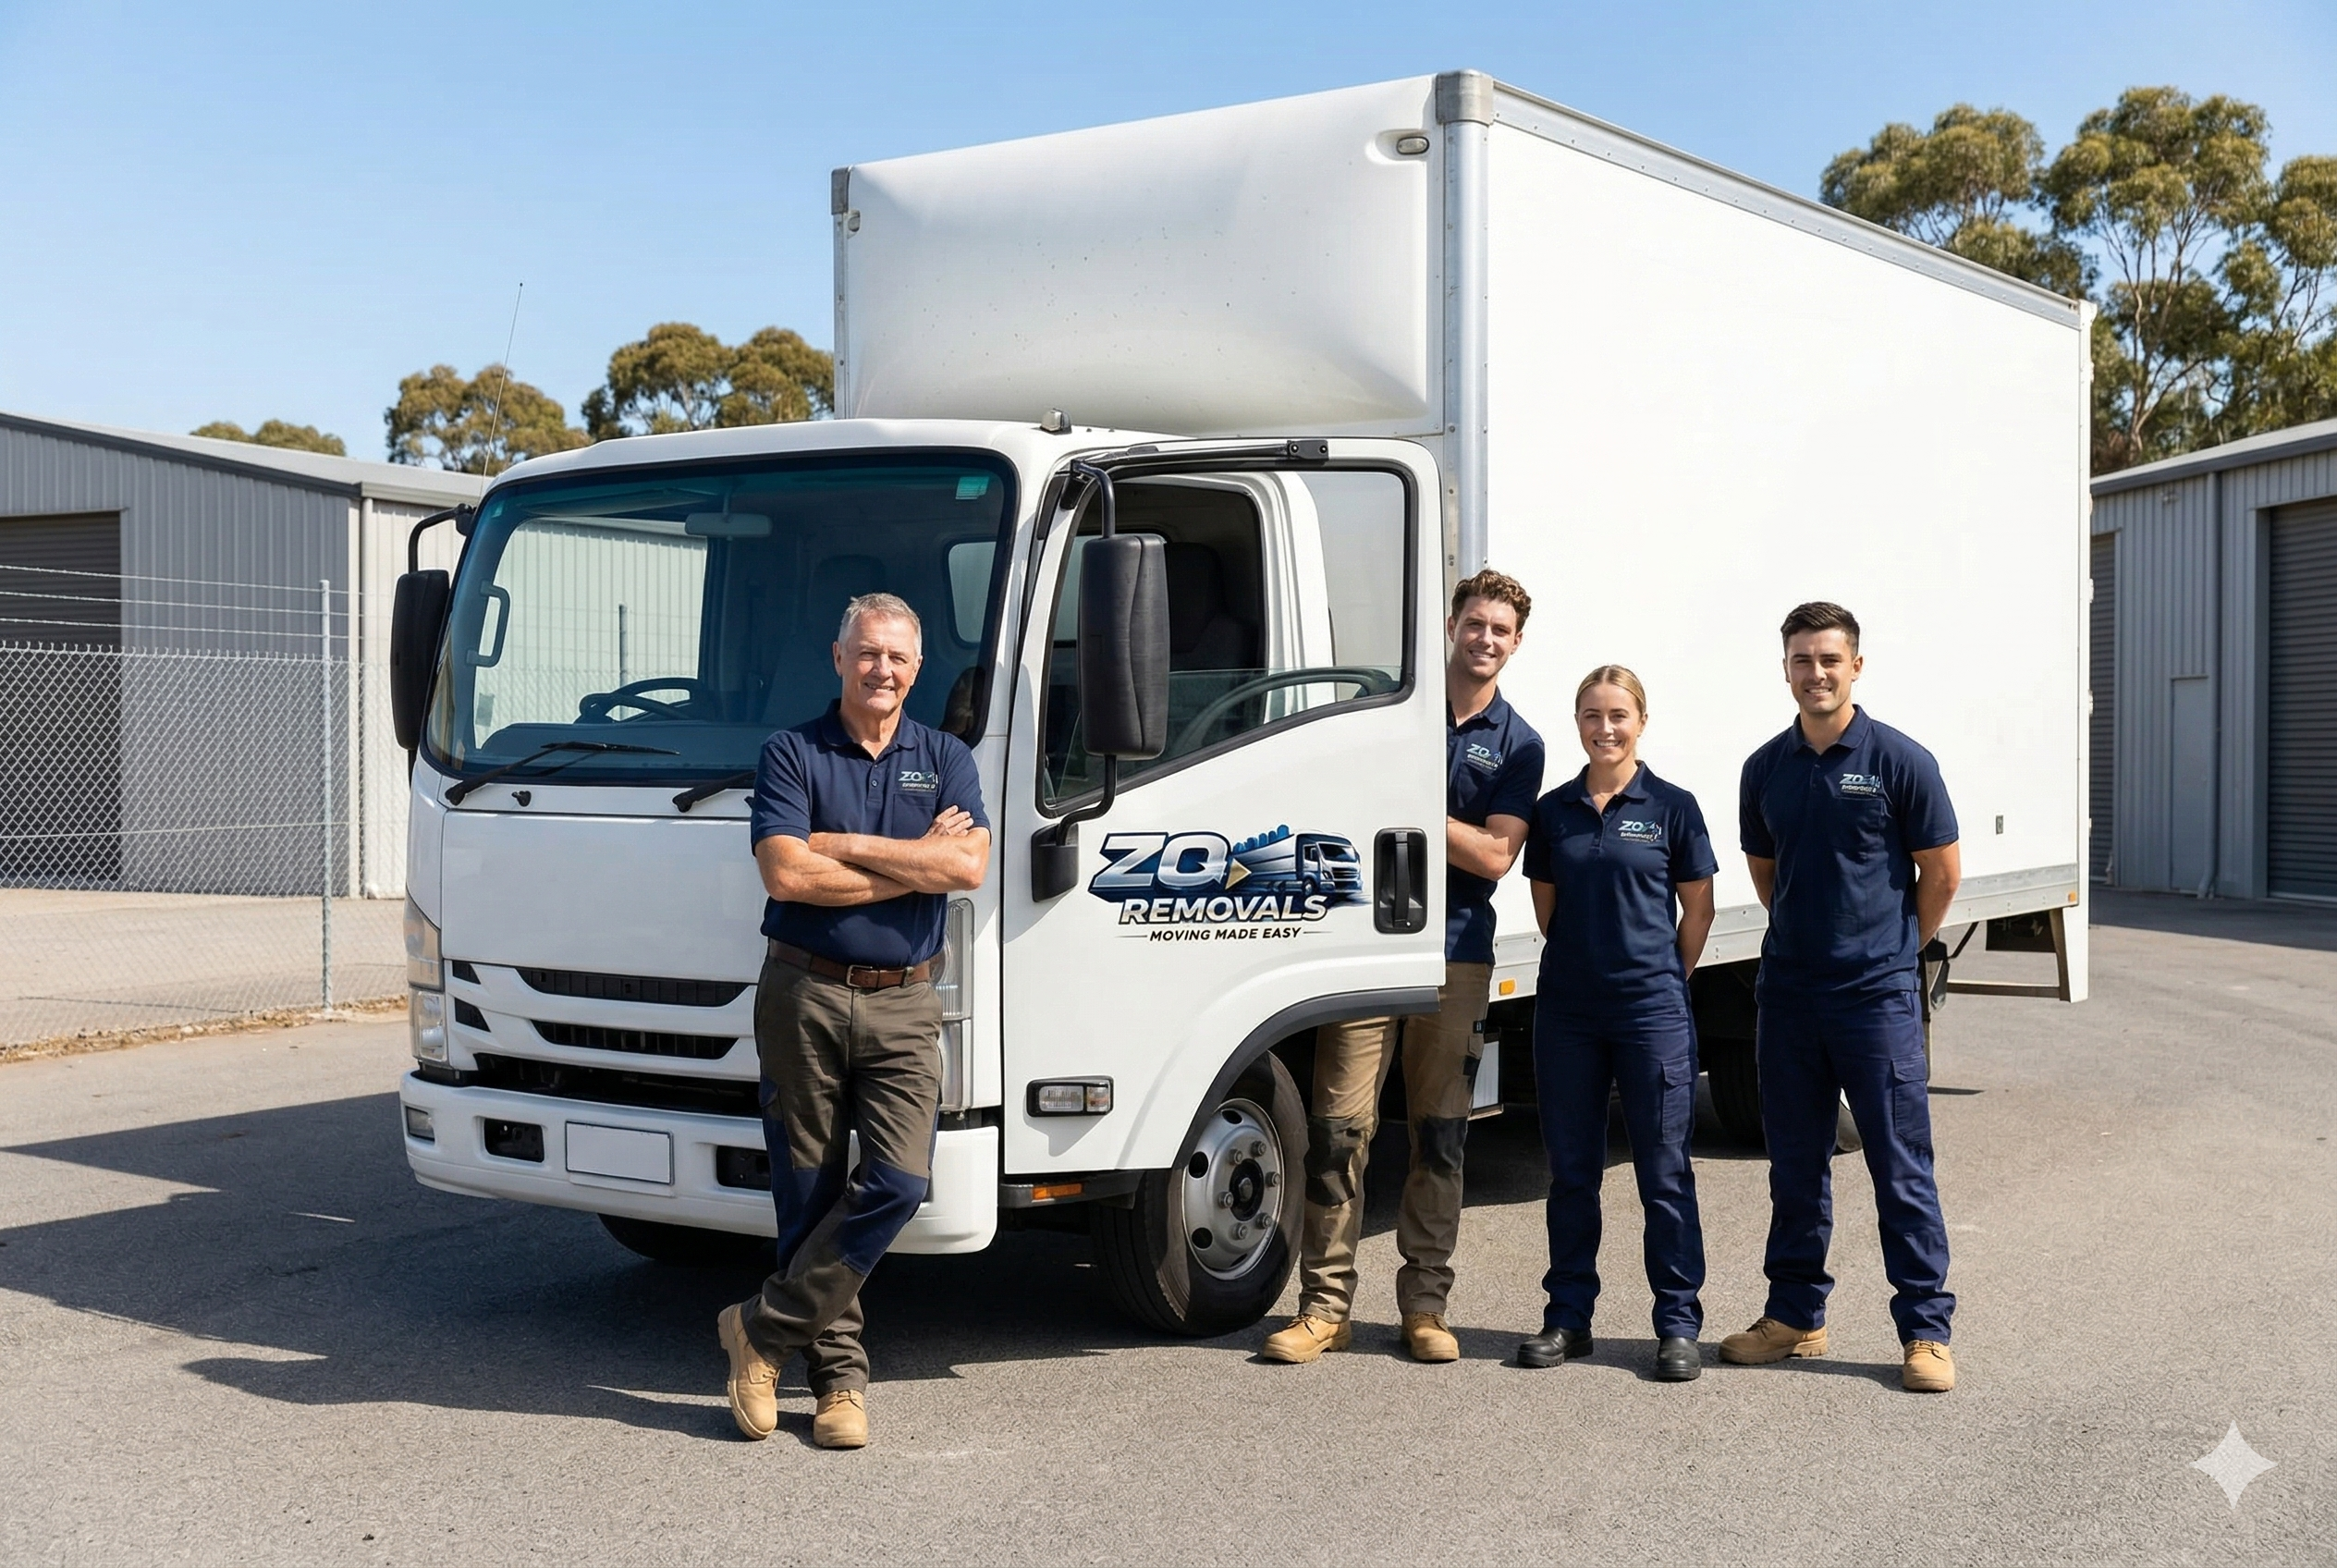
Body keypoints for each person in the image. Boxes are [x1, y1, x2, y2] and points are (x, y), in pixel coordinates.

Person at [717, 592, 991, 1448]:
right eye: (868, 653)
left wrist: (839, 842)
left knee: (900, 1182)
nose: (882, 670)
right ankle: (839, 1383)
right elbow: (787, 876)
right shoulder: (791, 752)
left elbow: (968, 867)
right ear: (839, 659)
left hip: (906, 999)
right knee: (809, 1190)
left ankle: (759, 1330)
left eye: (898, 657)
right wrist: (915, 863)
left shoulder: (945, 757)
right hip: (803, 993)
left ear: (918, 668)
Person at [1261, 570, 1545, 1366]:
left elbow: (1495, 856)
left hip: (1456, 952)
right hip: (1365, 945)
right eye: (1476, 623)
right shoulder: (1389, 713)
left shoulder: (1519, 743)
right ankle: (1325, 1309)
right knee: (1336, 1132)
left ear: (1517, 643)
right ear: (1451, 625)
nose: (1486, 639)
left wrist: (1409, 808)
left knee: (1441, 1137)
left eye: (1501, 630)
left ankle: (1425, 1307)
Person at [1723, 601, 1963, 1393]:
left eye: (1830, 659)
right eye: (1802, 659)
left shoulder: (1900, 761)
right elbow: (1770, 876)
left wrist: (1892, 950)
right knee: (1795, 1167)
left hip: (1876, 1000)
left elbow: (1942, 874)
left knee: (1900, 1168)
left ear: (1856, 666)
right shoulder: (1765, 768)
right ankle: (1796, 1317)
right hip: (1790, 996)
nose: (1816, 673)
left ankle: (1925, 1331)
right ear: (1785, 669)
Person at [1516, 666, 1717, 1380]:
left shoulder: (1672, 807)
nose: (1606, 728)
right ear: (1578, 723)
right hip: (1568, 1013)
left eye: (1618, 715)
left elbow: (1698, 909)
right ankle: (1568, 1319)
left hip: (1651, 1012)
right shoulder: (1554, 811)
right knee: (1572, 1173)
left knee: (1664, 1173)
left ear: (1642, 722)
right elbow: (1548, 910)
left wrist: (1660, 975)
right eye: (1592, 716)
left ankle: (1678, 1325)